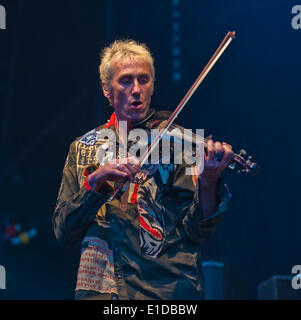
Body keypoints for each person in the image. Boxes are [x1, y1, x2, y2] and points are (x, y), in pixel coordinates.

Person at [53, 39, 233, 300]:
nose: (136, 89)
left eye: (144, 80)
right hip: (101, 292)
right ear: (107, 89)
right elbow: (63, 231)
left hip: (166, 291)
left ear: (152, 86)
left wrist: (208, 179)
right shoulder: (82, 148)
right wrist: (95, 183)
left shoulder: (179, 143)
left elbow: (197, 231)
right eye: (125, 81)